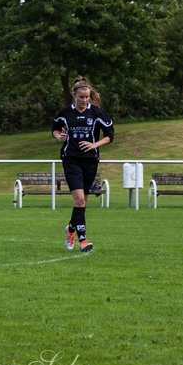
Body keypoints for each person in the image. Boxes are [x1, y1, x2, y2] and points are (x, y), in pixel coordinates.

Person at [52, 76, 113, 253]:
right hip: (71, 159)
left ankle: (70, 229)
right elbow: (55, 129)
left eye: (87, 97)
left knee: (82, 203)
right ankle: (83, 240)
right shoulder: (65, 113)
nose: (85, 100)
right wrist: (58, 137)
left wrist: (94, 145)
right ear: (74, 95)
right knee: (79, 199)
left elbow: (110, 135)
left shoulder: (96, 113)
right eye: (81, 97)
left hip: (90, 160)